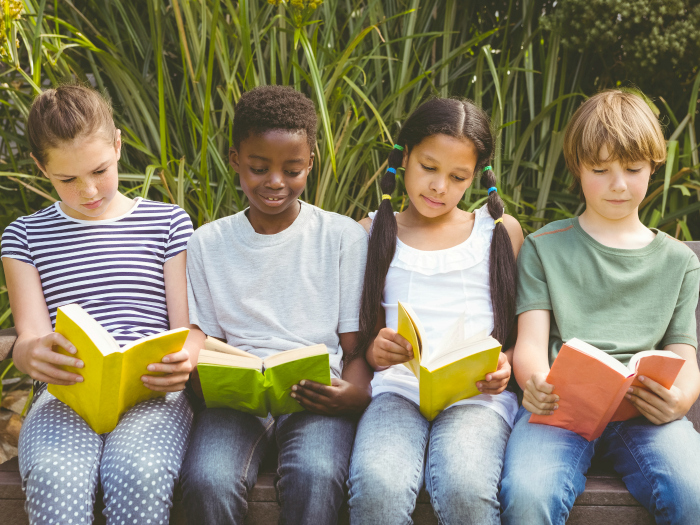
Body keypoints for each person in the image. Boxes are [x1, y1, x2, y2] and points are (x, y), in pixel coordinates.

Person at [1, 84, 204, 525]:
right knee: (56, 476)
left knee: (140, 472)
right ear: (41, 168)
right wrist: (29, 352)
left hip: (151, 393)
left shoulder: (167, 222)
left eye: (99, 170)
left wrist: (184, 359)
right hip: (66, 395)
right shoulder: (25, 235)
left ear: (117, 144)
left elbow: (187, 327)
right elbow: (31, 334)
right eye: (67, 180)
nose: (89, 190)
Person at [499, 90, 700, 525]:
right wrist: (534, 381)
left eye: (632, 169)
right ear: (577, 167)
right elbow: (532, 342)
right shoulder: (543, 247)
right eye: (600, 169)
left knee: (693, 491)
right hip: (560, 408)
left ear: (653, 166)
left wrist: (680, 401)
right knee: (529, 495)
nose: (618, 184)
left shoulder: (679, 262)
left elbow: (685, 354)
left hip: (644, 415)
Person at [179, 85, 372, 525]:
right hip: (238, 401)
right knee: (208, 478)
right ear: (235, 160)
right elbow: (205, 339)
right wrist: (198, 380)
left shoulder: (342, 238)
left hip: (315, 395)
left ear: (311, 162)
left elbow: (354, 345)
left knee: (317, 474)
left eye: (293, 169)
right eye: (259, 168)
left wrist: (356, 394)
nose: (275, 182)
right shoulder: (209, 242)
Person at [346, 97, 524, 524]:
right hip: (398, 391)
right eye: (429, 167)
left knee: (465, 485)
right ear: (404, 156)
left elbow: (520, 337)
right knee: (377, 484)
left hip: (477, 396)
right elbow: (362, 341)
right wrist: (376, 352)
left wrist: (506, 365)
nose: (439, 186)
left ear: (477, 178)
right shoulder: (370, 233)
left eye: (457, 176)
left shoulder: (499, 232)